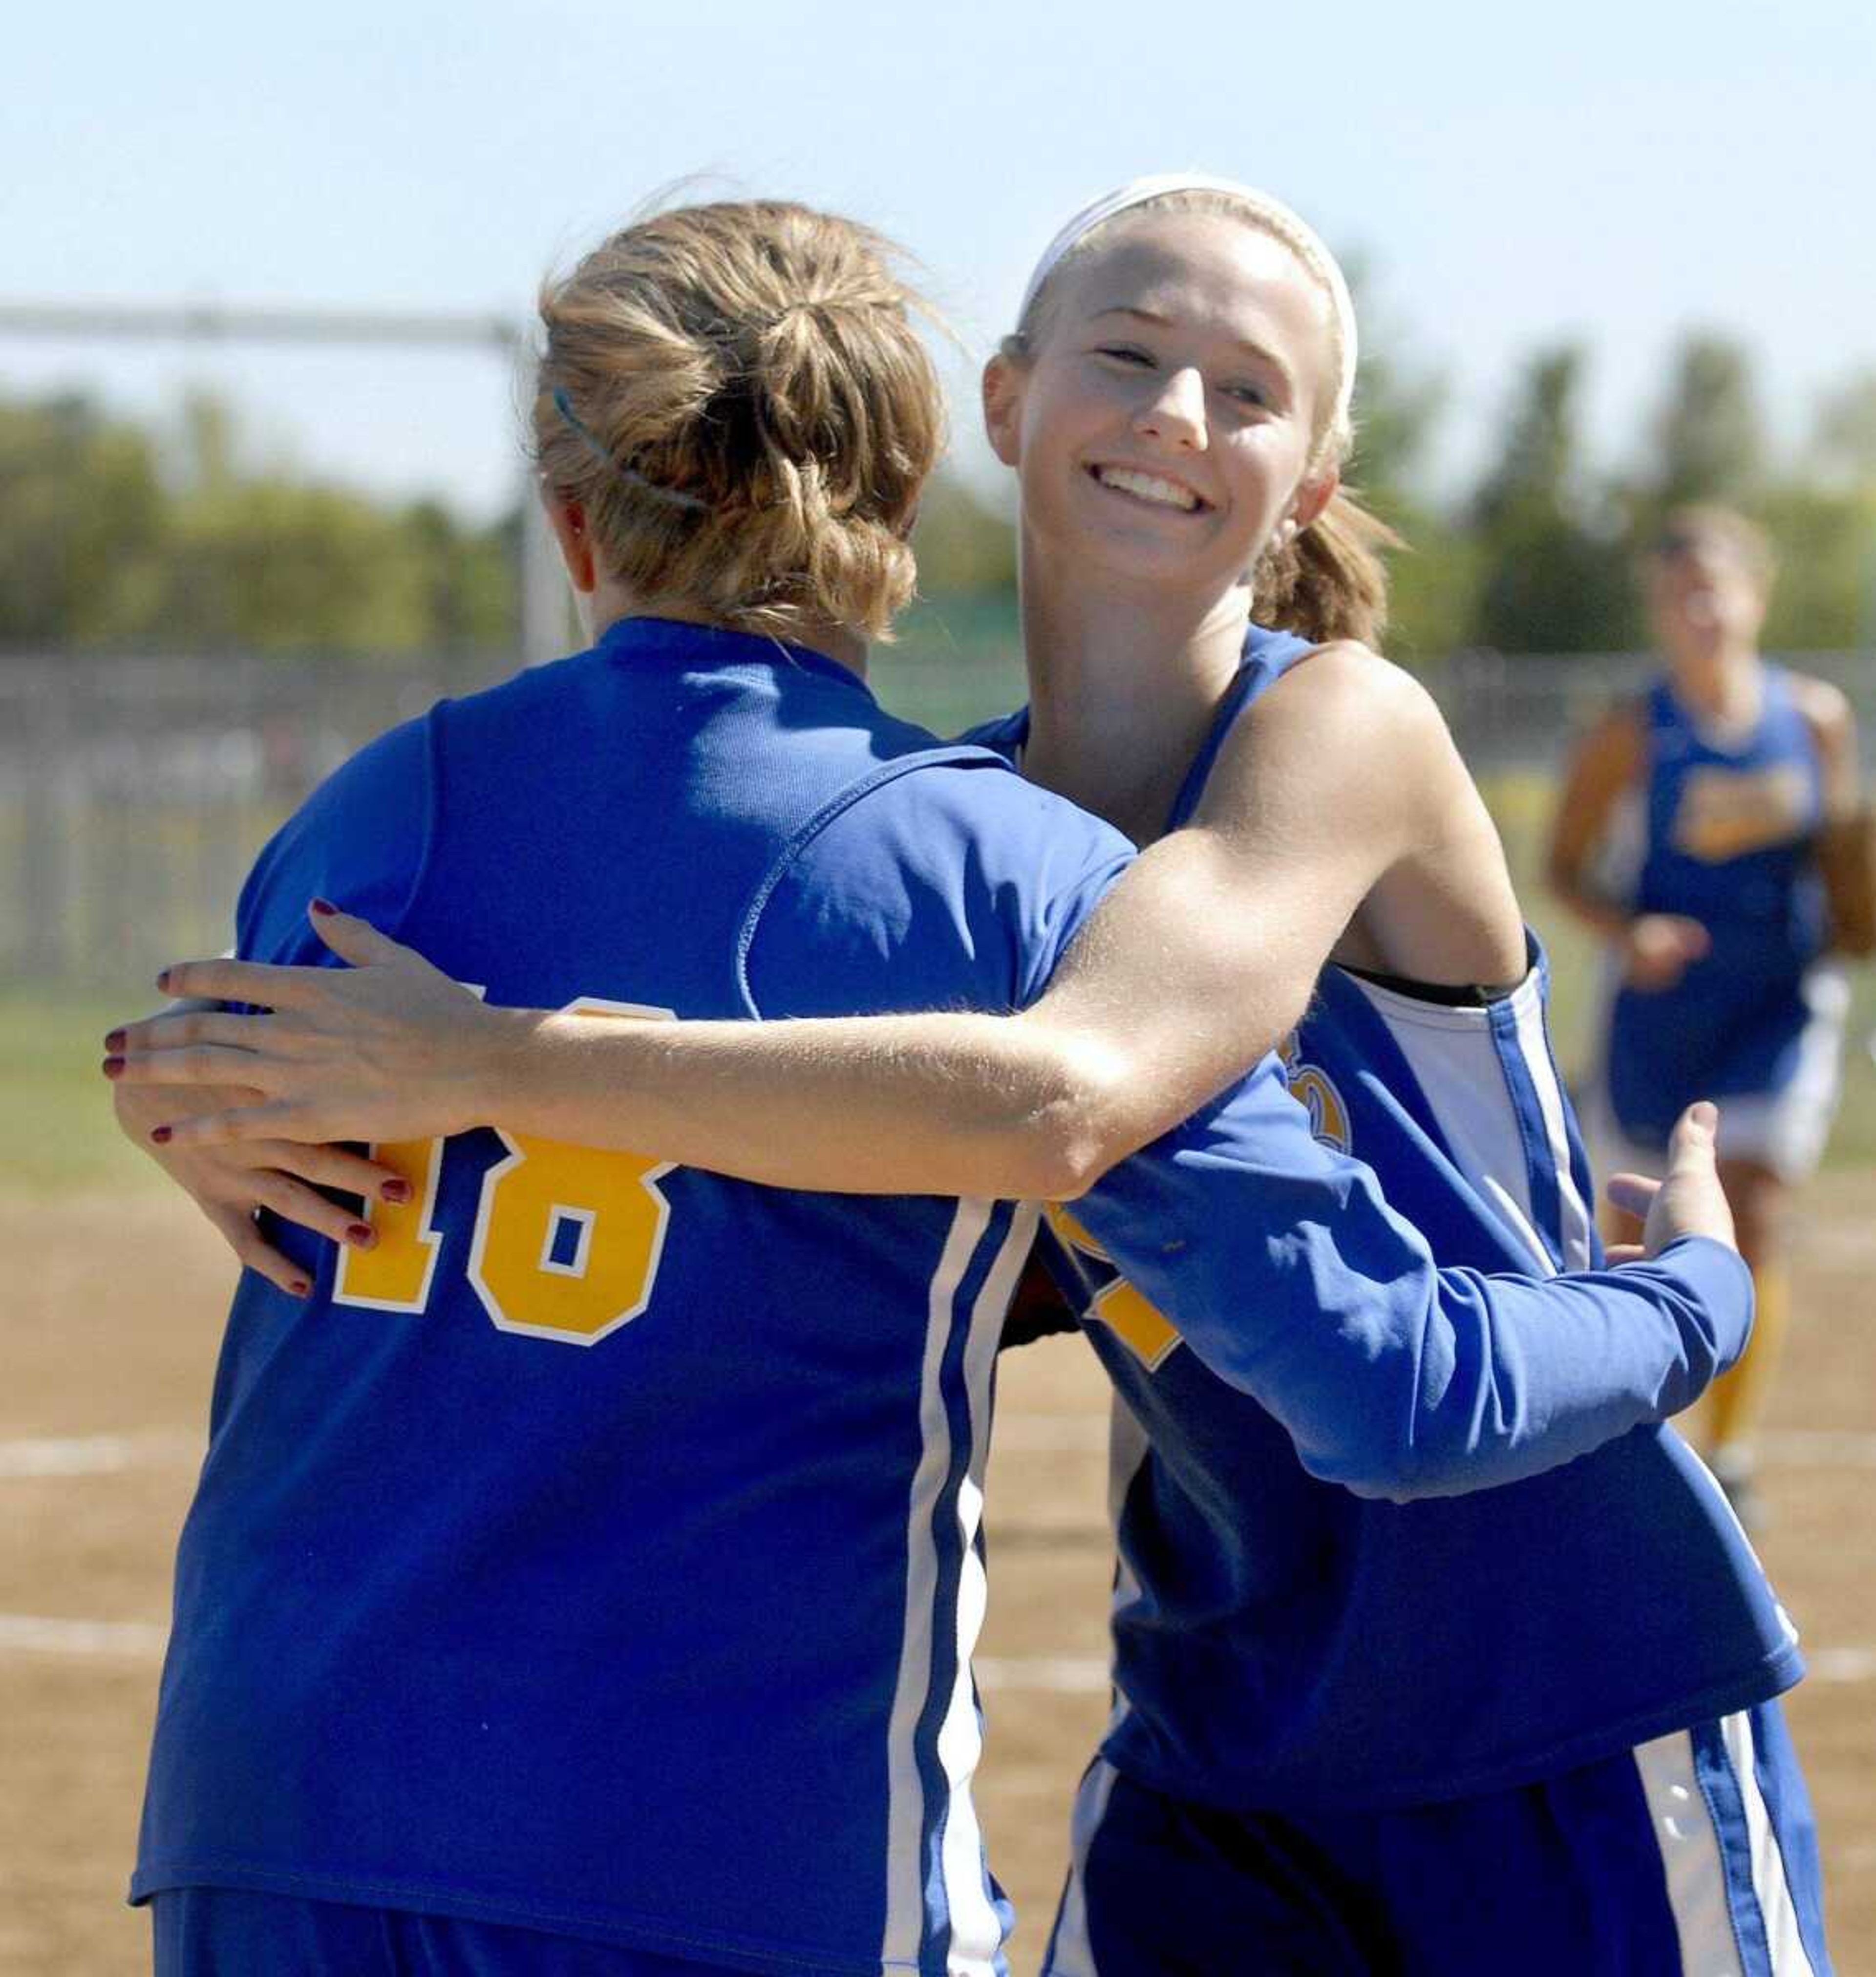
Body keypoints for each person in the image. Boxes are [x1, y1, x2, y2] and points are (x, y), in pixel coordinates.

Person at [110, 188, 1783, 1976]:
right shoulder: (959, 844)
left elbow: (1069, 1090)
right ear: (986, 415)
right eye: (1129, 357)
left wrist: (498, 1066)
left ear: (1313, 478)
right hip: (1228, 1688)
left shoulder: (1323, 731)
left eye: (1248, 390)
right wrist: (192, 1083)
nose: (1175, 413)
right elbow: (887, 1240)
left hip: (1559, 1669)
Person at [1550, 504, 1872, 1529]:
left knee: (1758, 1206)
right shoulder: (1632, 729)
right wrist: (1626, 930)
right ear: (1659, 609)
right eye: (1680, 592)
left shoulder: (1813, 717)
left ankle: (1728, 1448)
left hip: (1777, 1000)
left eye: (1718, 588)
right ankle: (1630, 1431)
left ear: (1756, 597)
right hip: (1663, 1004)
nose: (1702, 609)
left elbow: (1845, 870)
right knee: (1633, 1219)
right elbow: (1561, 867)